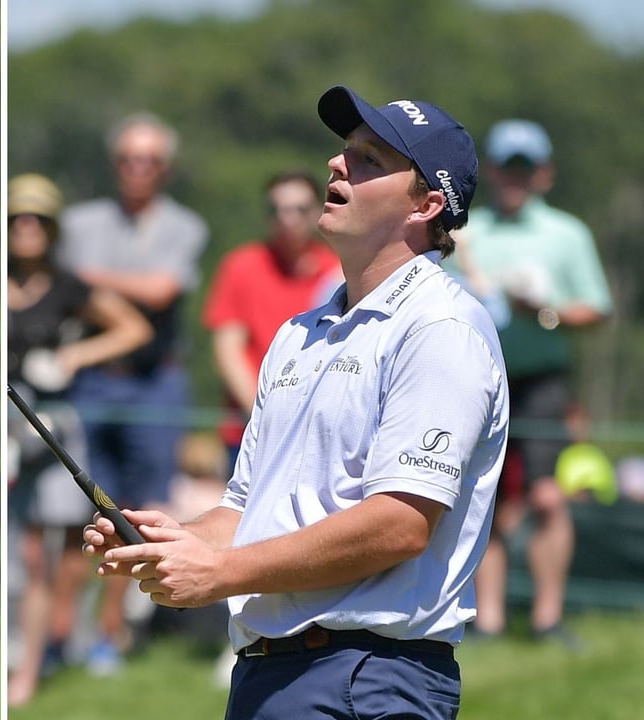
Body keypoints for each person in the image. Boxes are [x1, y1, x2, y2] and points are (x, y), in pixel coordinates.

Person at [84, 86, 509, 719]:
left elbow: (400, 522)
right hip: (269, 674)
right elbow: (246, 509)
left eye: (369, 159)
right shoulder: (297, 333)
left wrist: (224, 574)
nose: (338, 165)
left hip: (367, 678)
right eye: (345, 152)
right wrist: (178, 541)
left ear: (426, 205)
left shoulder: (442, 328)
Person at [444, 118, 612, 646]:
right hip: (477, 375)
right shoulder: (465, 231)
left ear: (542, 173)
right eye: (507, 167)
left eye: (525, 167)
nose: (515, 177)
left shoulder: (566, 233)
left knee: (546, 498)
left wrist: (545, 311)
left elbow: (596, 309)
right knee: (482, 498)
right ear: (492, 171)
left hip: (541, 380)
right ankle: (487, 619)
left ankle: (547, 617)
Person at [55, 112, 209, 675]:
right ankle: (60, 632)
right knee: (76, 508)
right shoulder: (79, 222)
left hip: (155, 380)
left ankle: (112, 632)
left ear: (164, 169)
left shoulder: (184, 225)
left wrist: (90, 279)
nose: (137, 169)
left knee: (138, 511)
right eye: (127, 158)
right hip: (93, 378)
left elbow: (161, 290)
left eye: (149, 160)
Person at [5, 172, 152, 706]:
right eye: (18, 218)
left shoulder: (68, 286)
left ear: (51, 228)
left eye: (37, 219)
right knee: (20, 551)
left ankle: (42, 657)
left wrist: (73, 356)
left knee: (58, 550)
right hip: (3, 421)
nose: (26, 228)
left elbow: (132, 327)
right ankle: (23, 655)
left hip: (49, 425)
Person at [202, 170, 341, 479]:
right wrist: (264, 417)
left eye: (299, 210)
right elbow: (228, 350)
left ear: (319, 210)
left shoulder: (338, 273)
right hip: (248, 433)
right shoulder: (241, 266)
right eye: (277, 210)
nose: (287, 219)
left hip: (315, 437)